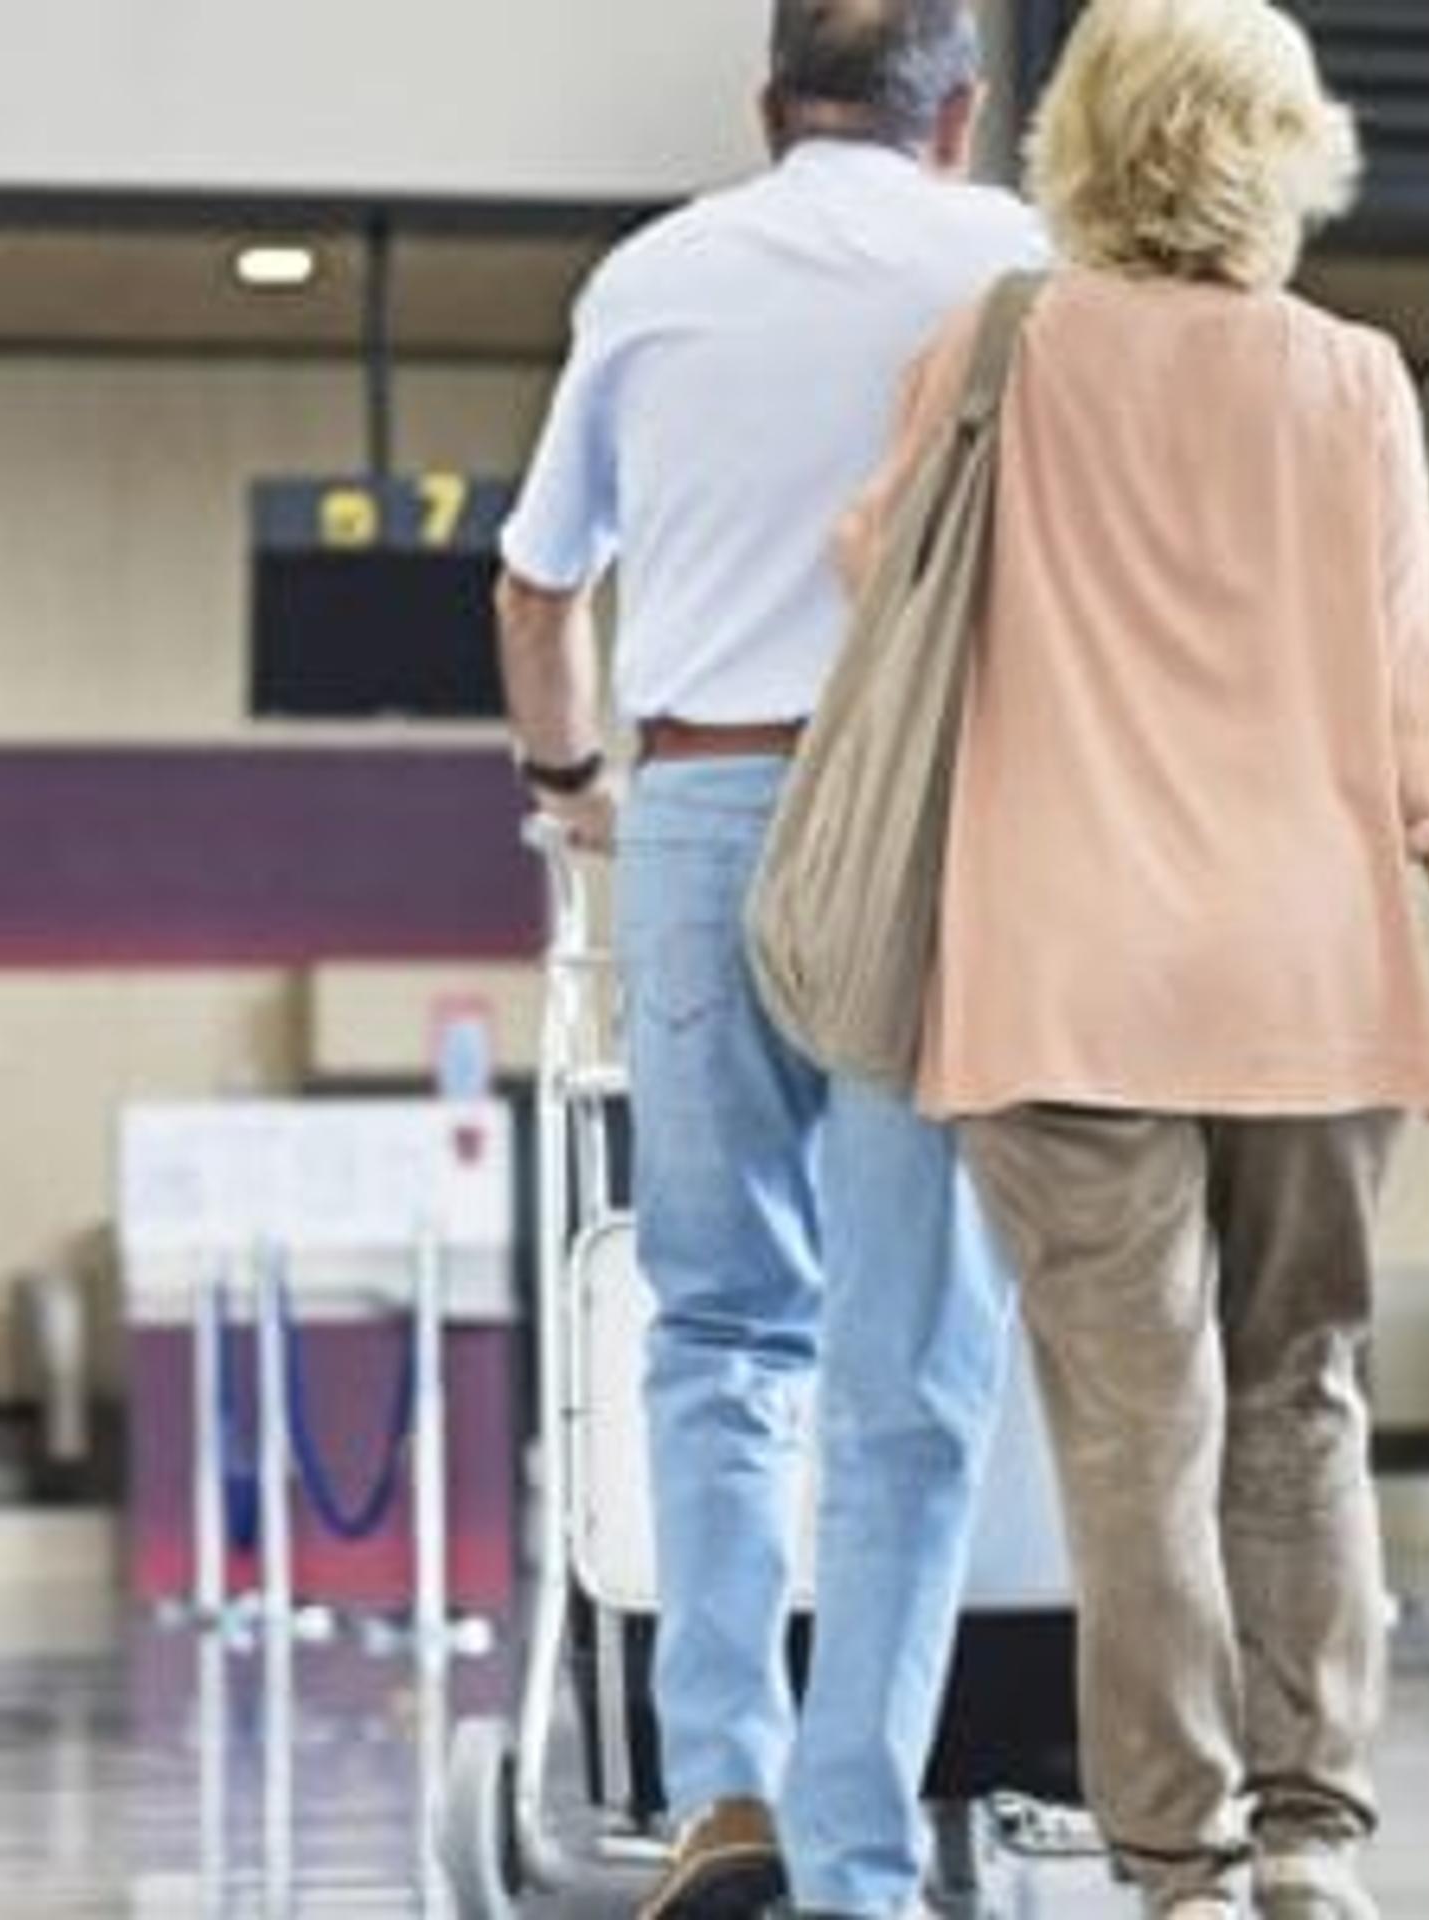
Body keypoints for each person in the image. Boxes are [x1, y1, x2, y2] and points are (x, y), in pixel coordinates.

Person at [835, 2, 1429, 1913]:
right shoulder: (1350, 384)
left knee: (1131, 1434)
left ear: (1080, 140)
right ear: (1284, 146)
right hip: (1307, 979)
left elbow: (871, 576)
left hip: (1057, 979)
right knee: (1301, 1394)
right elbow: (1422, 691)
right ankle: (1316, 1840)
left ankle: (1177, 1863)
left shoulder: (993, 352)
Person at [489, 5, 1045, 1915]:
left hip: (702, 817)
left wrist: (576, 790)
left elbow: (537, 583)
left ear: (766, 104)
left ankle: (716, 1788)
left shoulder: (652, 274)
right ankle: (857, 1851)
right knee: (912, 1364)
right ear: (960, 115)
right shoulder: (1023, 269)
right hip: (931, 827)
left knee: (720, 1324)